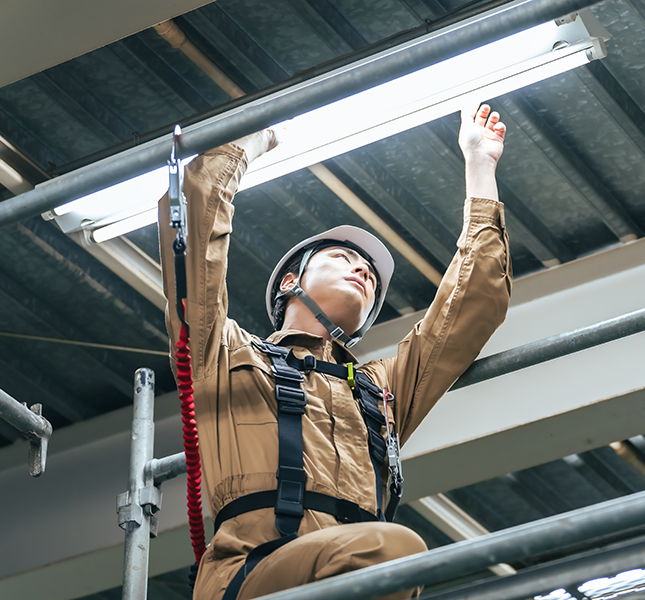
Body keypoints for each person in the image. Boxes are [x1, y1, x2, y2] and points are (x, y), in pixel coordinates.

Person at [157, 103, 512, 600]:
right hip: (254, 578)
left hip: (352, 578)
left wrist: (480, 166)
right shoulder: (228, 356)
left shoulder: (377, 390)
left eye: (370, 273)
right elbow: (195, 242)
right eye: (343, 257)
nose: (363, 271)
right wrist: (248, 140)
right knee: (390, 551)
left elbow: (474, 304)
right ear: (289, 282)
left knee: (388, 556)